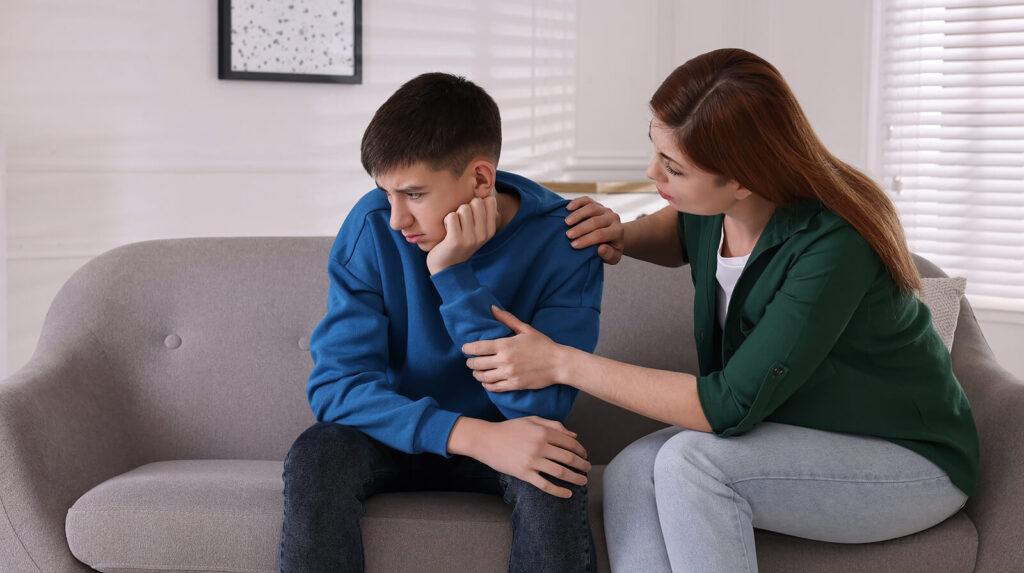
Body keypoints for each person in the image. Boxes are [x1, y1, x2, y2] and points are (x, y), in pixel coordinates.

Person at [461, 48, 979, 572]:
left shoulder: (836, 247)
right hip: (794, 432)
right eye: (656, 150)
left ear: (742, 179)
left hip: (906, 460)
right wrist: (623, 233)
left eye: (674, 168)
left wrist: (561, 361)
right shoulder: (713, 206)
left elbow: (725, 406)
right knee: (630, 470)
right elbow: (680, 232)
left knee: (692, 465)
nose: (651, 172)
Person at [278, 72, 603, 573]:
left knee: (557, 467)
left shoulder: (566, 241)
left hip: (510, 433)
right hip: (393, 432)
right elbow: (335, 388)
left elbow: (541, 405)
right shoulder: (371, 228)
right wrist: (471, 435)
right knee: (319, 454)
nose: (395, 220)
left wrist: (454, 277)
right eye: (386, 194)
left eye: (413, 194)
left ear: (480, 179)